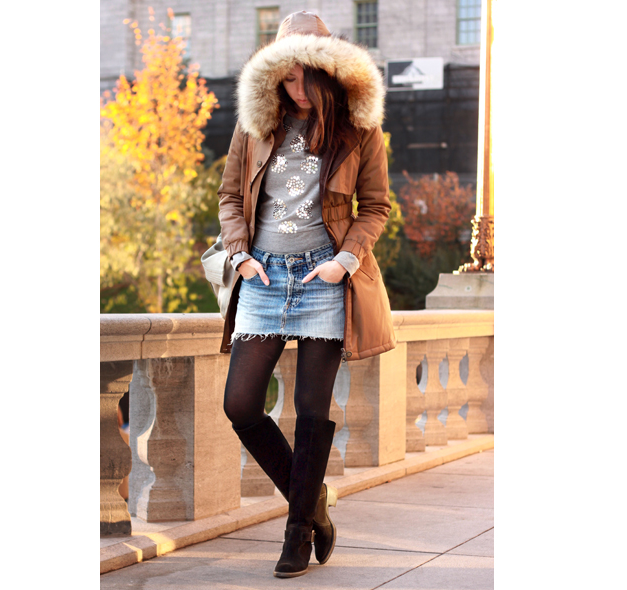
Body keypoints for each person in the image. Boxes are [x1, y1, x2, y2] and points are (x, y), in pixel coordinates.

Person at [216, 11, 397, 578]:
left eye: (306, 76)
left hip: (324, 276)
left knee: (312, 410)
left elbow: (376, 206)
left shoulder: (358, 128)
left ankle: (296, 533)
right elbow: (229, 196)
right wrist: (240, 253)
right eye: (287, 76)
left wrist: (346, 261)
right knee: (241, 403)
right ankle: (313, 503)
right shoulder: (255, 124)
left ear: (328, 71)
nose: (296, 88)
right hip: (264, 276)